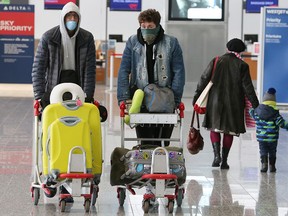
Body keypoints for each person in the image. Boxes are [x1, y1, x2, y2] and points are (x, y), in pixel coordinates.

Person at [117, 8, 185, 147]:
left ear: (158, 26)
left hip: (165, 98)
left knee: (162, 144)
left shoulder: (171, 43)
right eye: (143, 27)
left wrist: (176, 99)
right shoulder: (132, 42)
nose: (146, 30)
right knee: (145, 143)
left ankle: (161, 166)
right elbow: (124, 70)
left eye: (150, 27)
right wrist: (123, 98)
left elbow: (179, 72)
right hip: (140, 98)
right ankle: (146, 167)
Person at [192, 38, 259, 169]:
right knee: (229, 132)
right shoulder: (242, 65)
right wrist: (256, 105)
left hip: (215, 102)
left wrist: (197, 95)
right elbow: (248, 87)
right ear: (241, 51)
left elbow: (204, 78)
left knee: (214, 128)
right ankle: (224, 161)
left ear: (227, 48)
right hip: (234, 103)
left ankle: (216, 156)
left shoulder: (217, 60)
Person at [32, 2, 96, 109]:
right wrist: (40, 96)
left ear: (79, 19)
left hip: (77, 87)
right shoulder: (48, 37)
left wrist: (87, 96)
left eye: (75, 16)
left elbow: (90, 71)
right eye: (69, 16)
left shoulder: (87, 38)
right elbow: (38, 69)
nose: (72, 19)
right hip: (54, 88)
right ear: (63, 18)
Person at [249, 88, 288, 172]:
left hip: (261, 138)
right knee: (272, 152)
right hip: (272, 138)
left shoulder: (257, 112)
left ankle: (264, 165)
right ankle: (272, 166)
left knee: (263, 151)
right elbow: (282, 123)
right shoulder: (275, 113)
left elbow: (251, 113)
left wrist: (252, 110)